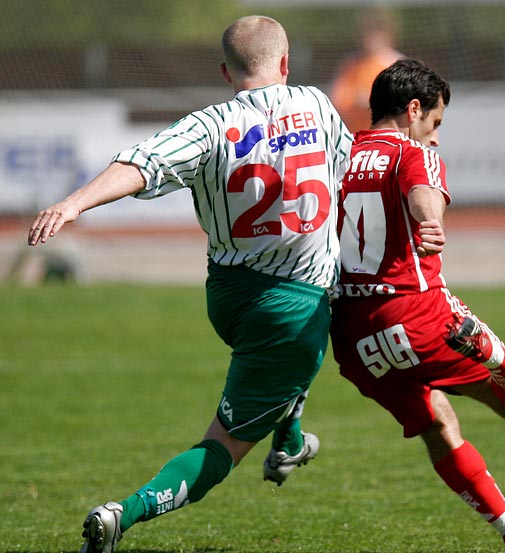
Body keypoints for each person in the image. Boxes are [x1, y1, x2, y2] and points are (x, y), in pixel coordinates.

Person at [28, 15, 353, 553]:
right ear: (287, 64)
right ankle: (121, 515)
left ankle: (289, 440)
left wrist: (73, 203)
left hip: (227, 294)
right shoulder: (318, 105)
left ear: (226, 72)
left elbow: (141, 163)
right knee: (222, 447)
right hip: (289, 305)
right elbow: (348, 170)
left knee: (301, 342)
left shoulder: (209, 125)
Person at [329, 58, 505, 552]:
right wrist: (430, 220)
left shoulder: (336, 156)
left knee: (438, 426)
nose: (435, 137)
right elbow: (423, 190)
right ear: (413, 110)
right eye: (435, 123)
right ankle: (491, 352)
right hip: (418, 316)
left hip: (352, 336)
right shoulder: (412, 150)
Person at [329, 8, 403, 133]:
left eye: (376, 32)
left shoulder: (397, 64)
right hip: (357, 138)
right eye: (368, 32)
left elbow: (403, 104)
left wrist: (370, 101)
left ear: (388, 35)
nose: (371, 39)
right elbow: (338, 99)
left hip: (388, 137)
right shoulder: (352, 65)